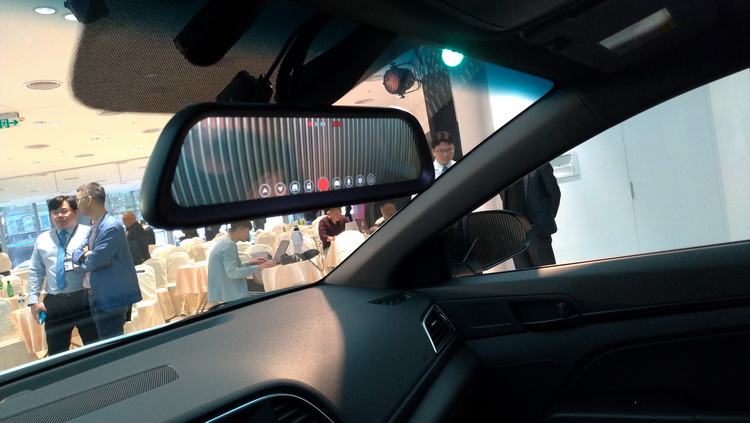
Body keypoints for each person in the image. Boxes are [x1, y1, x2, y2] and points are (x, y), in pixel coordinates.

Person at [27, 195, 99, 355]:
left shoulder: (89, 233)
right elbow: (36, 271)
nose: (59, 215)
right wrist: (33, 301)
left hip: (85, 298)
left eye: (64, 211)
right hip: (55, 302)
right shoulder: (43, 239)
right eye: (55, 212)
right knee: (57, 352)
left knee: (95, 347)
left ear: (75, 212)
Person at [72, 182, 142, 340]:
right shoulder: (94, 227)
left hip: (111, 295)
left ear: (89, 200)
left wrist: (87, 258)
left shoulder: (111, 226)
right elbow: (75, 253)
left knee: (111, 343)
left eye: (78, 200)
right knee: (103, 341)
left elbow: (94, 261)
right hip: (95, 294)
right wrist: (85, 255)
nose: (77, 204)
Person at [499, 163, 561, 268]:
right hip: (514, 233)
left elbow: (554, 193)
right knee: (524, 274)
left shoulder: (540, 164)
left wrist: (545, 218)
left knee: (547, 272)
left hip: (536, 230)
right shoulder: (503, 170)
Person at [207, 221, 277, 304]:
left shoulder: (225, 241)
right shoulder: (229, 245)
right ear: (239, 231)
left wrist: (249, 262)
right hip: (230, 295)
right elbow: (232, 273)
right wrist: (259, 267)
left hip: (226, 291)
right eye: (247, 232)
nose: (248, 235)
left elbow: (229, 269)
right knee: (271, 297)